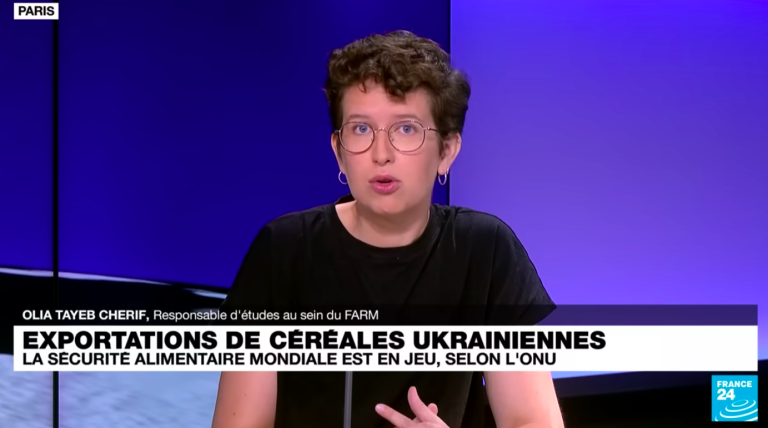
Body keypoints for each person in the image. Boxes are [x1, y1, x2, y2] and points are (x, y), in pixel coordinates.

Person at [211, 30, 563, 428]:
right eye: (361, 129)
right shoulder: (283, 251)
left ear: (447, 151)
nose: (381, 154)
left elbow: (533, 421)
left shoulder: (485, 250)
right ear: (339, 151)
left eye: (407, 129)